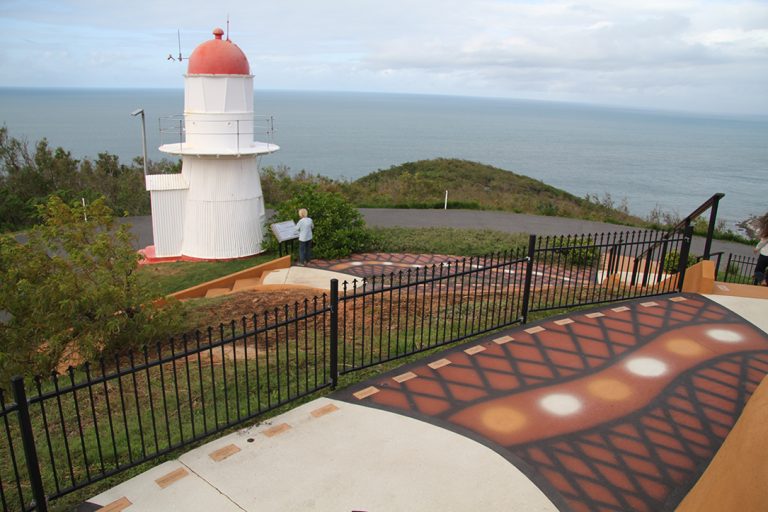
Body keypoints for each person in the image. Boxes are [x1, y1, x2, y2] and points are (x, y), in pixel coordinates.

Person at [753, 213, 768, 286]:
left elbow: (764, 241)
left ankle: (762, 280)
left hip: (765, 254)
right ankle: (765, 281)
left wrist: (757, 248)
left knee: (758, 270)